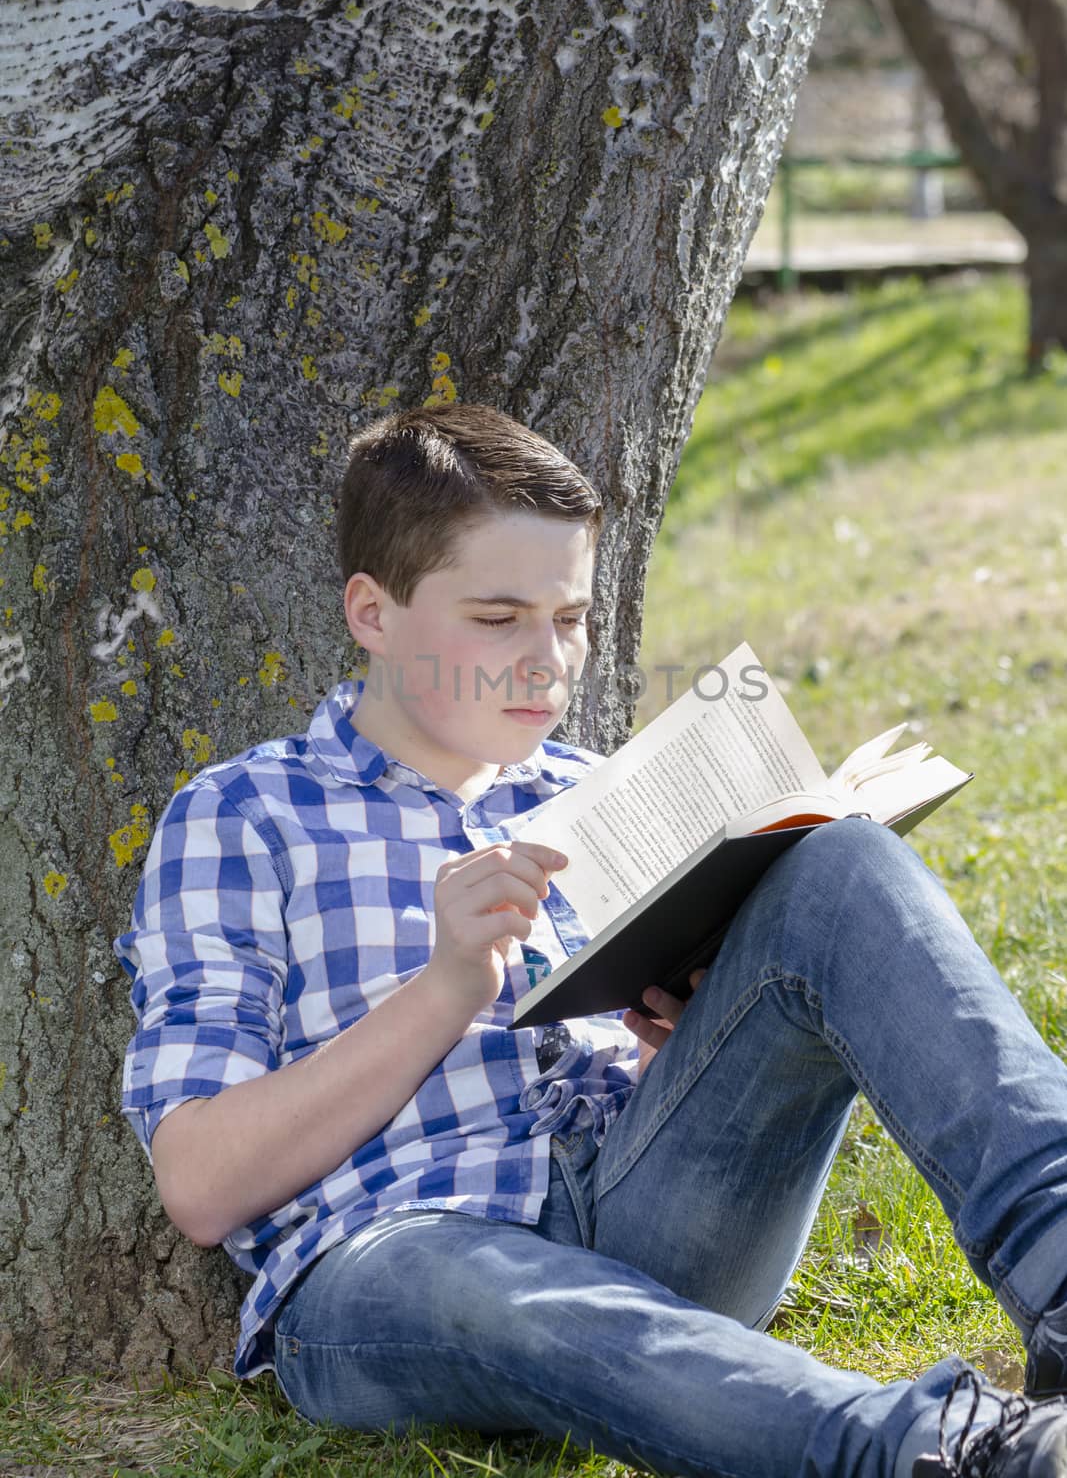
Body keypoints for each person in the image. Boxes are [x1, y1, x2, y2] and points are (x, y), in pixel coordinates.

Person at [113, 402, 1067, 1478]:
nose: (545, 661)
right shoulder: (242, 815)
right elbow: (198, 1184)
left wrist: (694, 1031)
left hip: (643, 1204)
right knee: (487, 1284)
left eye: (567, 618)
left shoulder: (603, 796)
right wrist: (445, 987)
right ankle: (957, 1457)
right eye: (496, 618)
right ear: (370, 613)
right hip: (389, 1261)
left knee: (837, 858)